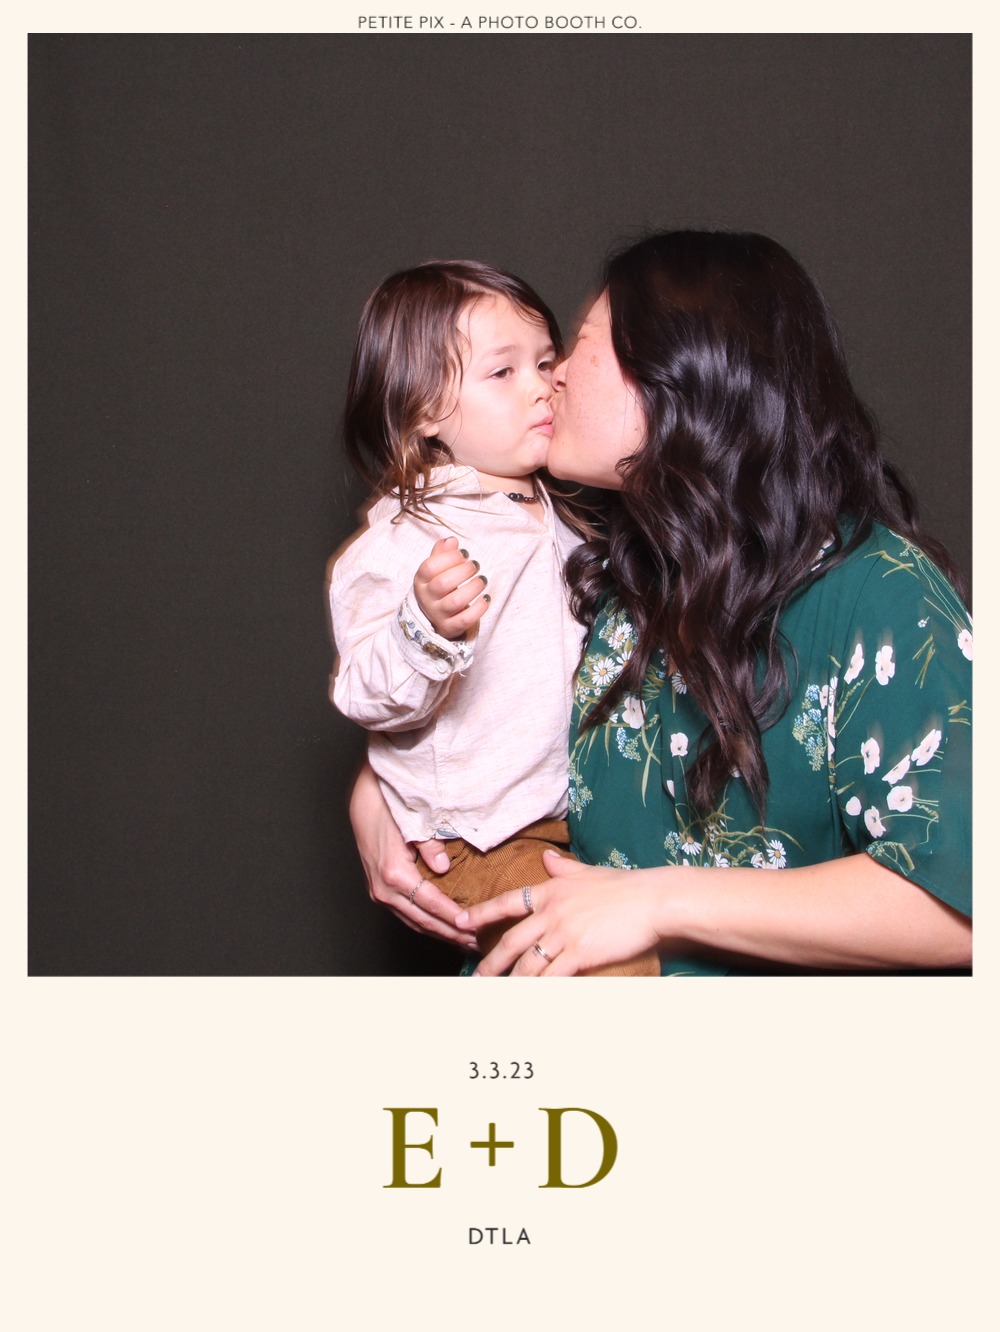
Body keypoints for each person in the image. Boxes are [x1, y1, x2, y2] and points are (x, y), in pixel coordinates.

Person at [350, 231, 972, 976]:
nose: (555, 378)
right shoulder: (616, 562)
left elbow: (962, 905)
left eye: (577, 348)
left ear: (679, 376)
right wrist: (384, 787)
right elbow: (501, 695)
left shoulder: (879, 590)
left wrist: (656, 903)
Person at [328, 259, 659, 975]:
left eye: (544, 361)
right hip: (482, 837)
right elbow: (365, 694)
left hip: (577, 818)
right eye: (502, 372)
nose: (542, 384)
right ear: (423, 409)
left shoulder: (562, 506)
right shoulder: (406, 541)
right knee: (609, 972)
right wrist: (422, 628)